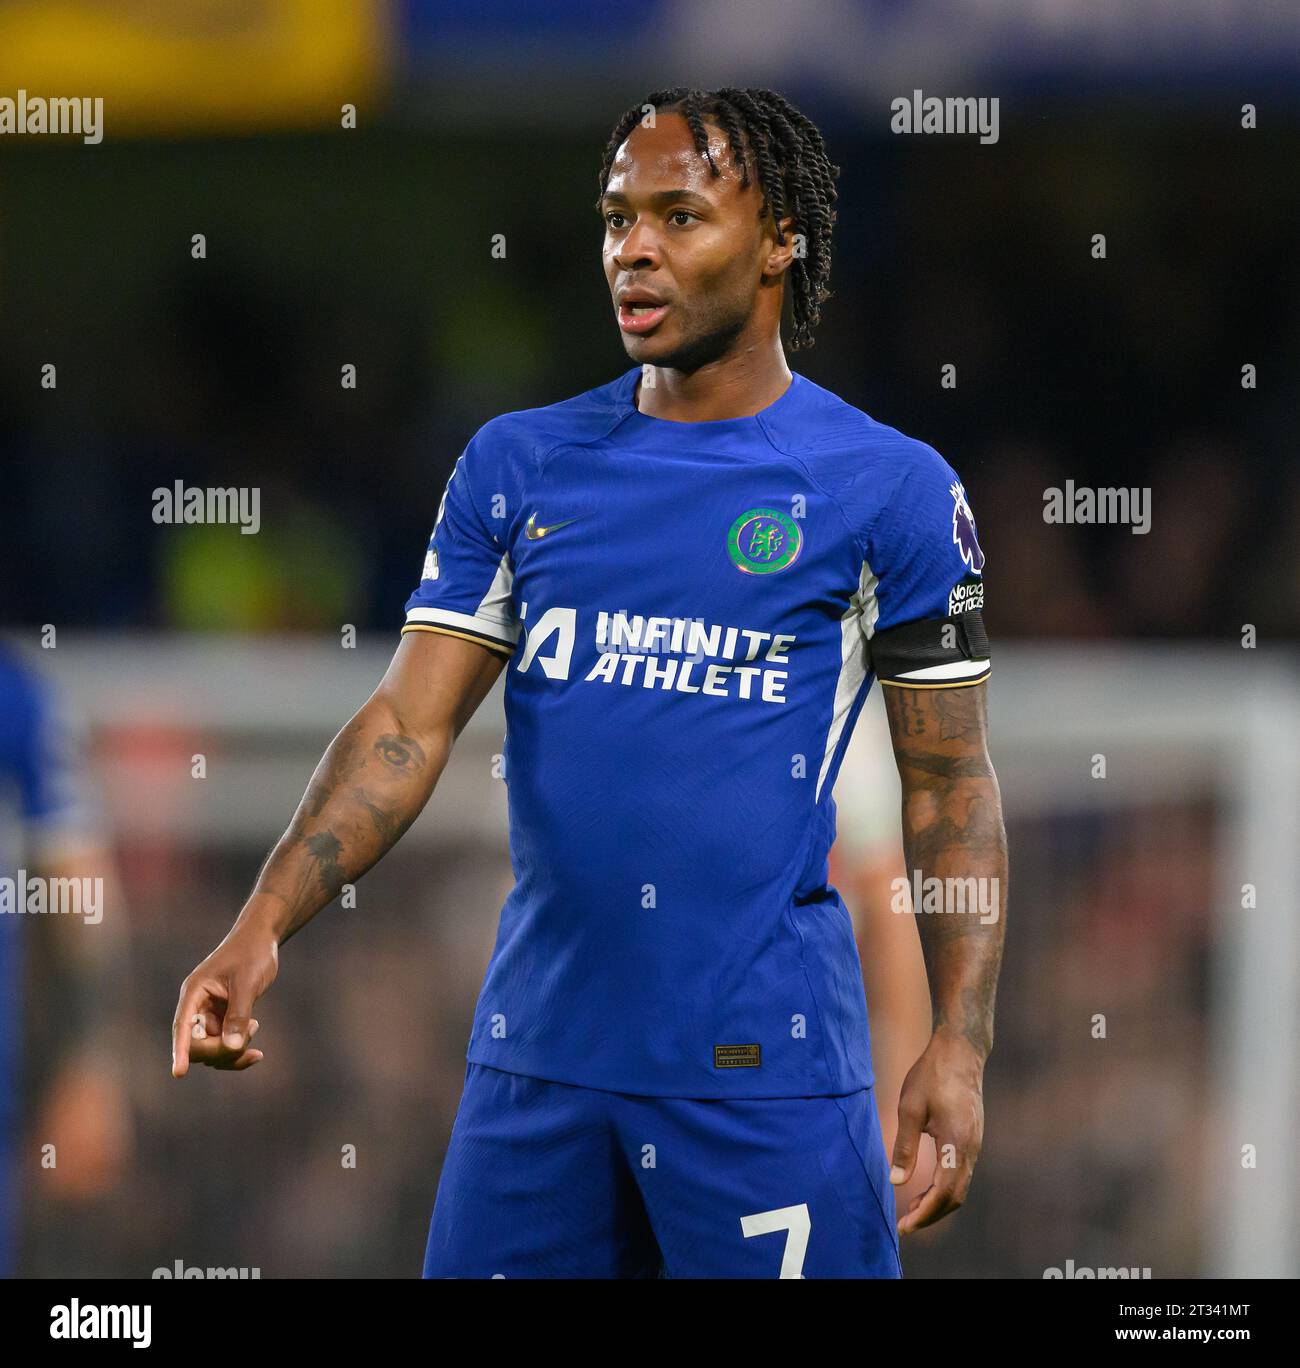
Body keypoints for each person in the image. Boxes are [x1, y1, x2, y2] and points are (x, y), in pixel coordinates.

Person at [172, 86, 1007, 1279]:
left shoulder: (891, 492)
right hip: (538, 1068)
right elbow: (409, 724)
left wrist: (958, 1047)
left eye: (680, 215)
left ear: (780, 242)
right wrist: (260, 925)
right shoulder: (519, 465)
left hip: (760, 1081)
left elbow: (948, 787)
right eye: (617, 217)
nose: (635, 249)